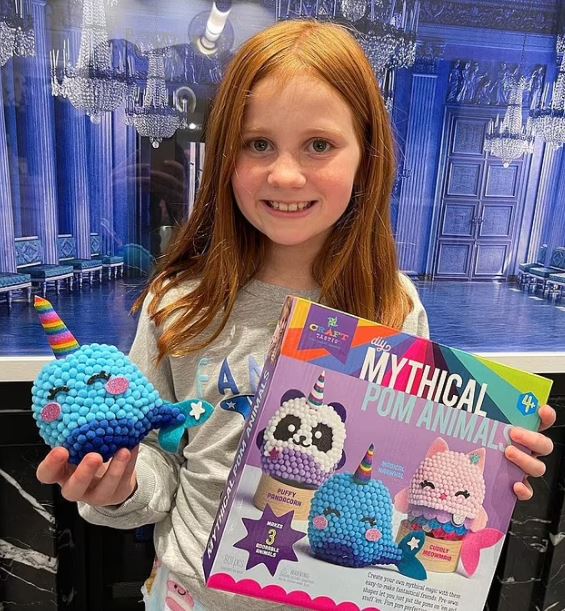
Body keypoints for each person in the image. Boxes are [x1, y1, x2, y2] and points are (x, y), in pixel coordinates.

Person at [36, 20, 555, 610]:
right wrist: (119, 485)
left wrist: (488, 462)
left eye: (319, 145)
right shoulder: (178, 302)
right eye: (258, 144)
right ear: (224, 154)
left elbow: (403, 460)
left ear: (367, 158)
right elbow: (155, 457)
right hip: (191, 598)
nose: (285, 175)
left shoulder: (394, 305)